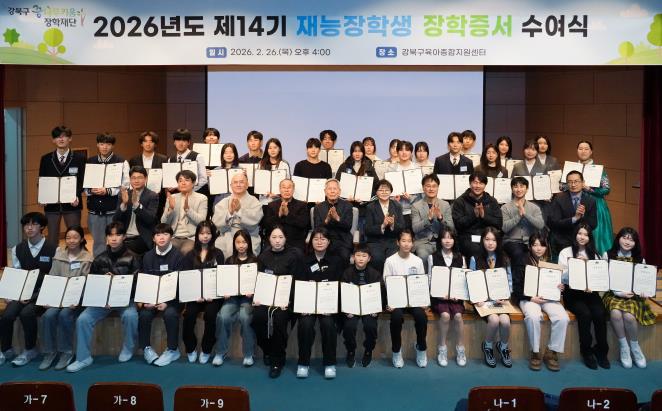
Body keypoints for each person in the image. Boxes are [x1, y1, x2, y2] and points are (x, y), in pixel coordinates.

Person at [66, 222, 141, 372]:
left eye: (118, 235)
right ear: (106, 237)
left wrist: (117, 281)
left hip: (125, 300)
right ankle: (83, 357)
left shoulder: (133, 257)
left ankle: (128, 348)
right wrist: (102, 299)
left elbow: (136, 284)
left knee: (131, 316)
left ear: (124, 237)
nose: (114, 238)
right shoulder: (99, 259)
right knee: (83, 319)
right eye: (110, 235)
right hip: (102, 302)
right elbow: (92, 284)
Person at [1, 212, 56, 366]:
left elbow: (54, 278)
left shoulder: (54, 249)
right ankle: (6, 349)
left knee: (26, 313)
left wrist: (36, 297)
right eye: (26, 224)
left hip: (43, 293)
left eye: (34, 224)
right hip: (22, 292)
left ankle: (30, 350)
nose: (29, 228)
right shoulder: (18, 249)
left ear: (42, 227)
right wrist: (11, 294)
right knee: (7, 315)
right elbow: (16, 274)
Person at [38, 225, 93, 371]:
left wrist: (76, 300)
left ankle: (66, 351)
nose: (71, 240)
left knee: (64, 314)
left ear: (82, 239)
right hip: (58, 298)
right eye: (68, 237)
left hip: (76, 300)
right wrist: (47, 298)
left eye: (75, 237)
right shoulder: (59, 256)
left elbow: (87, 284)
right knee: (48, 316)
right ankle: (49, 352)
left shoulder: (87, 259)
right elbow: (52, 279)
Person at [511, 234, 568, 371]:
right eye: (535, 245)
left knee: (563, 318)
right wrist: (531, 298)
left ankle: (552, 351)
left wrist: (561, 287)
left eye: (542, 245)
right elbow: (516, 287)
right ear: (530, 246)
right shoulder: (521, 260)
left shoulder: (551, 261)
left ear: (546, 246)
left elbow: (558, 284)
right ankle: (535, 352)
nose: (538, 248)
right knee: (533, 316)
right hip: (528, 298)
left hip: (548, 298)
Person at [251, 225, 302, 378]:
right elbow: (259, 280)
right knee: (257, 318)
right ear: (269, 239)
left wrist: (288, 300)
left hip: (285, 302)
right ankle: (267, 350)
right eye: (274, 237)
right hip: (265, 299)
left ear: (286, 239)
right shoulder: (263, 257)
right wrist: (257, 297)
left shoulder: (293, 256)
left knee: (279, 320)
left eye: (280, 237)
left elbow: (296, 282)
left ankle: (277, 360)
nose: (277, 241)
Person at [558, 224, 610, 370]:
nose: (582, 237)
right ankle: (586, 351)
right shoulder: (565, 252)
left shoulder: (595, 254)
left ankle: (601, 351)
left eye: (586, 235)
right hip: (572, 292)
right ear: (575, 234)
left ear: (589, 238)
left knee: (600, 313)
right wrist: (576, 265)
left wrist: (593, 285)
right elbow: (562, 277)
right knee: (585, 314)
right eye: (580, 233)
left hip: (590, 292)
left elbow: (599, 277)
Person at [296, 228, 344, 379]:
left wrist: (332, 307)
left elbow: (340, 287)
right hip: (308, 305)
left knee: (328, 324)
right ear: (311, 241)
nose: (319, 242)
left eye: (323, 239)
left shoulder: (337, 261)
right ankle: (303, 363)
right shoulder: (303, 260)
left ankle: (329, 363)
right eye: (316, 238)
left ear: (329, 242)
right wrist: (303, 306)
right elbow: (298, 285)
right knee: (305, 324)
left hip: (328, 306)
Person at [602, 227, 654, 369]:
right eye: (624, 238)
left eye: (631, 240)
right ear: (618, 238)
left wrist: (643, 291)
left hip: (633, 296)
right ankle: (624, 347)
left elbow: (643, 281)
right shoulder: (608, 255)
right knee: (615, 313)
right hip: (613, 294)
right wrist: (619, 293)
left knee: (629, 317)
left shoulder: (640, 259)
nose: (627, 242)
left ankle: (635, 347)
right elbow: (603, 279)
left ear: (635, 243)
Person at [139, 223, 186, 367]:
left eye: (165, 234)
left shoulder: (179, 256)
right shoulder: (147, 256)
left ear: (171, 237)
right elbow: (145, 281)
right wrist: (147, 301)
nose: (161, 237)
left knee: (170, 314)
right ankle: (146, 348)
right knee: (144, 314)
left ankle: (173, 349)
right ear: (153, 238)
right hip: (153, 298)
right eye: (158, 235)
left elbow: (181, 285)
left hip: (173, 299)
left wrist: (167, 302)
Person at [383, 229, 428, 368]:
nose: (406, 244)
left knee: (421, 316)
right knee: (396, 317)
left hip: (414, 299)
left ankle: (421, 348)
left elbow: (421, 283)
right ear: (398, 242)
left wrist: (423, 301)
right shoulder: (390, 261)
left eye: (409, 241)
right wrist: (390, 302)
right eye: (403, 241)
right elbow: (386, 283)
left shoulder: (417, 261)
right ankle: (396, 351)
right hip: (397, 300)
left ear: (413, 243)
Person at [469, 227, 513, 368]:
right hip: (482, 301)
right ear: (482, 240)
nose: (490, 243)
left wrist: (506, 297)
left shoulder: (504, 258)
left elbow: (509, 281)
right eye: (487, 239)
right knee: (494, 320)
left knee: (505, 321)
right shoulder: (475, 258)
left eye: (493, 240)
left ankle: (503, 346)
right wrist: (477, 299)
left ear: (498, 242)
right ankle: (487, 346)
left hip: (499, 300)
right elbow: (471, 281)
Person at [182, 221, 224, 365]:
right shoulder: (190, 255)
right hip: (195, 296)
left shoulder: (218, 253)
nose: (205, 236)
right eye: (202, 233)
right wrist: (195, 295)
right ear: (197, 235)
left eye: (208, 233)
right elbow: (187, 278)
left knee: (211, 315)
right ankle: (190, 347)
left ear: (212, 235)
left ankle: (206, 349)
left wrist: (213, 294)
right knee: (189, 315)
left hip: (213, 297)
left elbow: (221, 277)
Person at [215, 230, 258, 367]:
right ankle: (220, 352)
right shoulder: (229, 261)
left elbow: (259, 282)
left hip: (247, 299)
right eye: (238, 242)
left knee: (246, 317)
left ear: (249, 243)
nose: (241, 245)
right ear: (234, 244)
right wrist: (225, 291)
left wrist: (253, 292)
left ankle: (248, 354)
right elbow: (224, 281)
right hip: (232, 298)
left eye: (244, 242)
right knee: (223, 316)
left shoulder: (255, 261)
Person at [39, 126, 86, 247]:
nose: (61, 139)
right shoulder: (46, 159)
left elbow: (82, 181)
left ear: (70, 139)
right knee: (52, 237)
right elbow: (42, 180)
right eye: (57, 137)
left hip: (72, 204)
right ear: (53, 140)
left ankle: (76, 258)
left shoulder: (79, 158)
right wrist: (42, 196)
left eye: (64, 136)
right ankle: (53, 258)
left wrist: (76, 195)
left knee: (75, 235)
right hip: (51, 205)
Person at [427, 227, 467, 367]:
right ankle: (442, 348)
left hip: (455, 297)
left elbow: (463, 280)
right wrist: (438, 294)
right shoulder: (432, 257)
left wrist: (458, 294)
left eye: (450, 237)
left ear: (454, 240)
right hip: (439, 297)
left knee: (458, 316)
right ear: (440, 240)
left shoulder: (461, 257)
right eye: (445, 237)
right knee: (445, 316)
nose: (447, 240)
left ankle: (460, 348)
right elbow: (430, 279)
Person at [341, 244, 382, 368]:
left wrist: (376, 309)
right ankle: (350, 351)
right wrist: (346, 309)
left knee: (370, 326)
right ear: (353, 257)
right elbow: (342, 292)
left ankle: (368, 350)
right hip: (352, 308)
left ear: (369, 258)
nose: (360, 258)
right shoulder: (347, 272)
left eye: (364, 256)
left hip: (369, 308)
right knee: (349, 326)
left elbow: (380, 293)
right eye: (358, 255)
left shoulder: (375, 274)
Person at [85, 133, 124, 257]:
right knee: (98, 242)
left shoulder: (120, 161)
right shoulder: (90, 161)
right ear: (97, 145)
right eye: (102, 144)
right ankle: (99, 265)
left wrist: (108, 191)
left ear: (112, 145)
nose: (104, 147)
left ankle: (117, 264)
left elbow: (125, 185)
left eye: (108, 144)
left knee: (115, 241)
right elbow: (85, 186)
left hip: (113, 209)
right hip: (95, 210)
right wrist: (91, 190)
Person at [501, 177, 545, 278]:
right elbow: (504, 228)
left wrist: (526, 214)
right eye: (515, 186)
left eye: (522, 186)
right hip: (512, 241)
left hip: (530, 242)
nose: (519, 189)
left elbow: (540, 225)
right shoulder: (505, 207)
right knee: (519, 254)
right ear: (512, 189)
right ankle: (518, 286)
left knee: (534, 253)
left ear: (527, 189)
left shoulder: (534, 207)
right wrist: (518, 216)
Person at [452, 170, 503, 258]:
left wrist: (484, 216)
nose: (478, 186)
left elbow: (499, 223)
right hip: (468, 237)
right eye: (475, 182)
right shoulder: (460, 201)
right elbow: (458, 225)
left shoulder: (492, 201)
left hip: (488, 237)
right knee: (476, 251)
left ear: (485, 185)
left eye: (481, 183)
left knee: (500, 252)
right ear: (470, 183)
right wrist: (473, 216)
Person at [574, 140, 613, 255]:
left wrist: (589, 189)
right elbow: (563, 186)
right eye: (580, 148)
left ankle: (597, 260)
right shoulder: (572, 168)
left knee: (595, 235)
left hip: (596, 206)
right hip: (575, 204)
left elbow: (606, 189)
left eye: (586, 149)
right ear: (577, 151)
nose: (583, 151)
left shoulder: (599, 169)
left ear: (591, 152)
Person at [335, 141, 379, 239]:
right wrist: (344, 198)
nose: (357, 154)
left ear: (363, 152)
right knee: (348, 235)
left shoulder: (369, 166)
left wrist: (366, 199)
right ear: (351, 152)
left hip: (364, 208)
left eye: (360, 151)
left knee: (362, 236)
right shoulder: (344, 166)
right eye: (355, 151)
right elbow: (337, 184)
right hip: (347, 207)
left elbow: (376, 186)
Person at [213, 172, 263, 258]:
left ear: (247, 185)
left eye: (241, 182)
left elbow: (254, 221)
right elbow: (216, 223)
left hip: (248, 236)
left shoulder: (254, 201)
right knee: (219, 250)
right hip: (227, 235)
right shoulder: (224, 202)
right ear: (231, 186)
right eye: (235, 182)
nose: (238, 185)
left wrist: (239, 211)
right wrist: (229, 213)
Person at [549, 170, 597, 259]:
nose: (573, 185)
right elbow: (554, 223)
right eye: (570, 182)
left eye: (576, 181)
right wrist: (574, 218)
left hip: (583, 242)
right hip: (563, 240)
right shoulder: (558, 198)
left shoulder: (591, 200)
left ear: (583, 183)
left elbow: (593, 224)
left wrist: (583, 216)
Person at [412, 174, 454, 271]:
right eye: (428, 186)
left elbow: (451, 228)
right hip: (423, 242)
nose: (431, 189)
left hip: (442, 241)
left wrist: (440, 218)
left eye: (434, 186)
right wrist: (429, 219)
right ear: (423, 188)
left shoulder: (445, 205)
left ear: (438, 188)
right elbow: (415, 229)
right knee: (423, 256)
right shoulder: (416, 206)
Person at [161, 170, 208, 256]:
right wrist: (170, 210)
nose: (183, 183)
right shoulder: (172, 198)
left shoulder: (202, 198)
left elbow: (201, 222)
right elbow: (163, 223)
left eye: (187, 180)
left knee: (186, 251)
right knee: (167, 249)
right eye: (180, 180)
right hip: (174, 236)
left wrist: (188, 210)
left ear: (193, 183)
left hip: (191, 237)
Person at [114, 166, 159, 256]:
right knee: (110, 249)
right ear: (130, 180)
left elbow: (150, 219)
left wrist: (136, 205)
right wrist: (124, 204)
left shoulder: (152, 196)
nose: (136, 181)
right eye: (133, 178)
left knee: (124, 251)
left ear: (146, 179)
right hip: (124, 236)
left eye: (139, 178)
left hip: (141, 237)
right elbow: (115, 220)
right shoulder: (124, 194)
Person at [123, 131, 167, 218]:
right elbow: (131, 178)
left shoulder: (163, 159)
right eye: (145, 141)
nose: (148, 144)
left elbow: (165, 179)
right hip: (138, 196)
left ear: (155, 144)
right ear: (141, 144)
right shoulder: (134, 160)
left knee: (155, 220)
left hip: (157, 197)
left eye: (151, 141)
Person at [364, 180, 405, 272]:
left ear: (391, 192)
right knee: (377, 259)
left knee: (393, 260)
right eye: (381, 190)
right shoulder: (370, 207)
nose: (384, 192)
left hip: (392, 241)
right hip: (375, 242)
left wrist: (393, 225)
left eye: (387, 190)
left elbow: (402, 227)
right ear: (376, 192)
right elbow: (367, 229)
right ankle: (378, 280)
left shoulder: (397, 206)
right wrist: (382, 225)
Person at [261, 179, 310, 253]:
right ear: (280, 189)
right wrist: (279, 215)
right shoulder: (271, 205)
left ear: (293, 190)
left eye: (289, 187)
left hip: (294, 242)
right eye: (284, 187)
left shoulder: (302, 205)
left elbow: (304, 224)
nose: (286, 190)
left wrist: (288, 214)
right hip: (275, 241)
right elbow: (266, 225)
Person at [313, 179, 354, 265]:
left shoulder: (348, 206)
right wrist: (327, 220)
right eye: (329, 189)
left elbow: (348, 226)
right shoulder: (318, 207)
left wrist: (337, 218)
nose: (332, 191)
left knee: (343, 256)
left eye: (335, 189)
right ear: (325, 191)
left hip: (342, 240)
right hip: (324, 239)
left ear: (339, 191)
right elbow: (317, 228)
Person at [388, 140, 422, 228]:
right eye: (401, 150)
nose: (404, 152)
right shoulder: (391, 168)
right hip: (397, 210)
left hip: (414, 210)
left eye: (407, 150)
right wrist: (393, 198)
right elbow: (388, 190)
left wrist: (411, 197)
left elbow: (422, 193)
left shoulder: (417, 168)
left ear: (411, 152)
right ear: (397, 152)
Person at [257, 138, 291, 205]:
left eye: (275, 147)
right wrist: (264, 193)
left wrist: (278, 194)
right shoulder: (261, 164)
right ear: (267, 150)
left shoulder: (284, 164)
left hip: (280, 202)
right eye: (270, 148)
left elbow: (288, 183)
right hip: (264, 202)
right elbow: (258, 182)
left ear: (279, 149)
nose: (272, 150)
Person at [211, 142, 241, 207]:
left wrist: (245, 177)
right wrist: (209, 178)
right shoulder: (216, 170)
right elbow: (212, 190)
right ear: (222, 155)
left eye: (231, 152)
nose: (228, 155)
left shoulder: (241, 170)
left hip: (236, 202)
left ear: (235, 154)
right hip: (219, 202)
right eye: (226, 153)